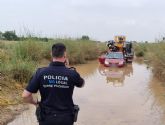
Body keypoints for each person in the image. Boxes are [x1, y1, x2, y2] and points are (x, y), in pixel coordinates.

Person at [22, 43, 85, 125]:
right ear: (65, 54)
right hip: (66, 118)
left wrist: (36, 104)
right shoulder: (71, 73)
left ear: (51, 54)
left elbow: (25, 95)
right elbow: (82, 84)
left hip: (46, 117)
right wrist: (69, 69)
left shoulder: (40, 72)